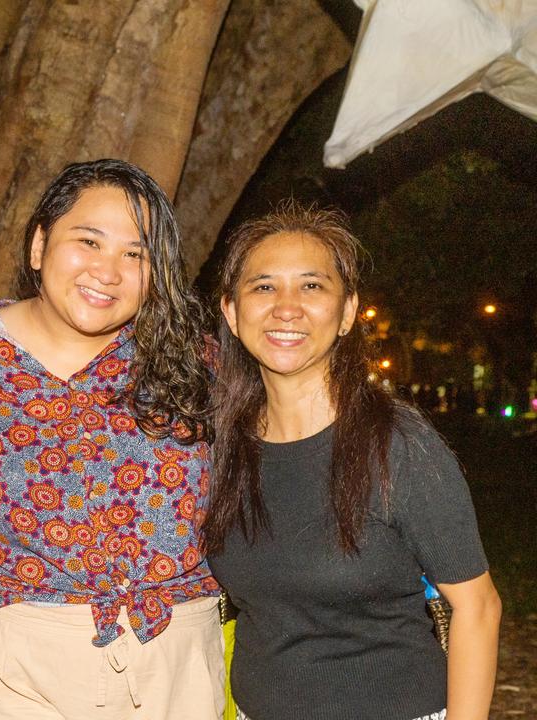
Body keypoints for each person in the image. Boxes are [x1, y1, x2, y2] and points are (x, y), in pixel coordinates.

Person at [0, 159, 222, 719]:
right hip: (16, 672)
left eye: (135, 254)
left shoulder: (193, 362)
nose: (108, 271)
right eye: (89, 241)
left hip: (176, 666)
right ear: (39, 245)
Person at [203, 203, 502, 720]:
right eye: (264, 286)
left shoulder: (398, 444)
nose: (287, 307)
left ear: (346, 314)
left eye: (312, 286)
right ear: (231, 311)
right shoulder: (220, 447)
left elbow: (478, 608)